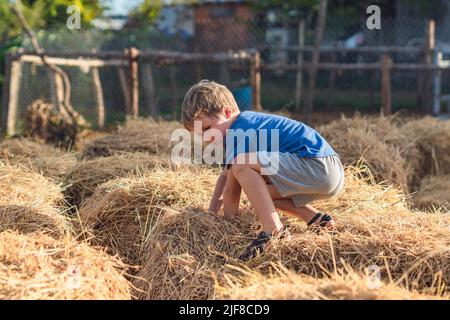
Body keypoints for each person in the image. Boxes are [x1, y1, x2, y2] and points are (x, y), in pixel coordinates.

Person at [181, 80, 344, 261]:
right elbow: (225, 177)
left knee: (241, 166)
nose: (205, 138)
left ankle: (273, 231)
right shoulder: (242, 128)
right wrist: (210, 215)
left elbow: (230, 190)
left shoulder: (240, 129)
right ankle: (317, 220)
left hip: (317, 165)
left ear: (227, 113)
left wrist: (226, 228)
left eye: (206, 128)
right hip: (327, 173)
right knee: (259, 194)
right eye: (199, 134)